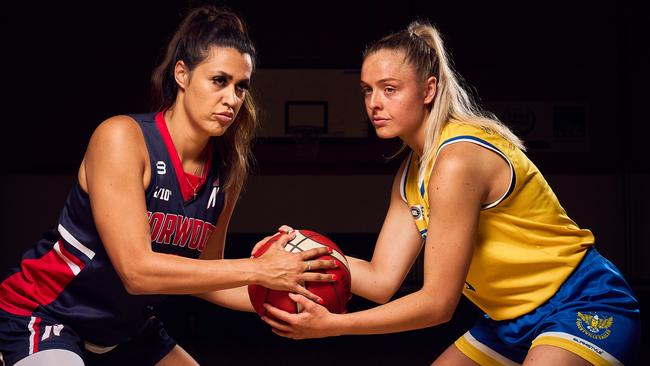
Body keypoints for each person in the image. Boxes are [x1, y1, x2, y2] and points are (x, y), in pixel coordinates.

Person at [260, 21, 641, 365]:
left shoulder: (457, 160)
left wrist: (334, 326)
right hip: (508, 319)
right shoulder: (412, 172)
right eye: (367, 90)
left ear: (429, 90)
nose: (374, 103)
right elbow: (380, 280)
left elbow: (438, 304)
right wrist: (300, 250)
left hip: (581, 301)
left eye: (390, 89)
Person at [0, 5, 337, 366]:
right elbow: (137, 272)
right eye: (219, 81)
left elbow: (209, 276)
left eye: (241, 87)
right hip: (46, 314)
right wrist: (259, 269)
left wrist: (293, 294)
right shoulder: (123, 138)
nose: (232, 99)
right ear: (182, 75)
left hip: (123, 329)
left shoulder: (225, 171)